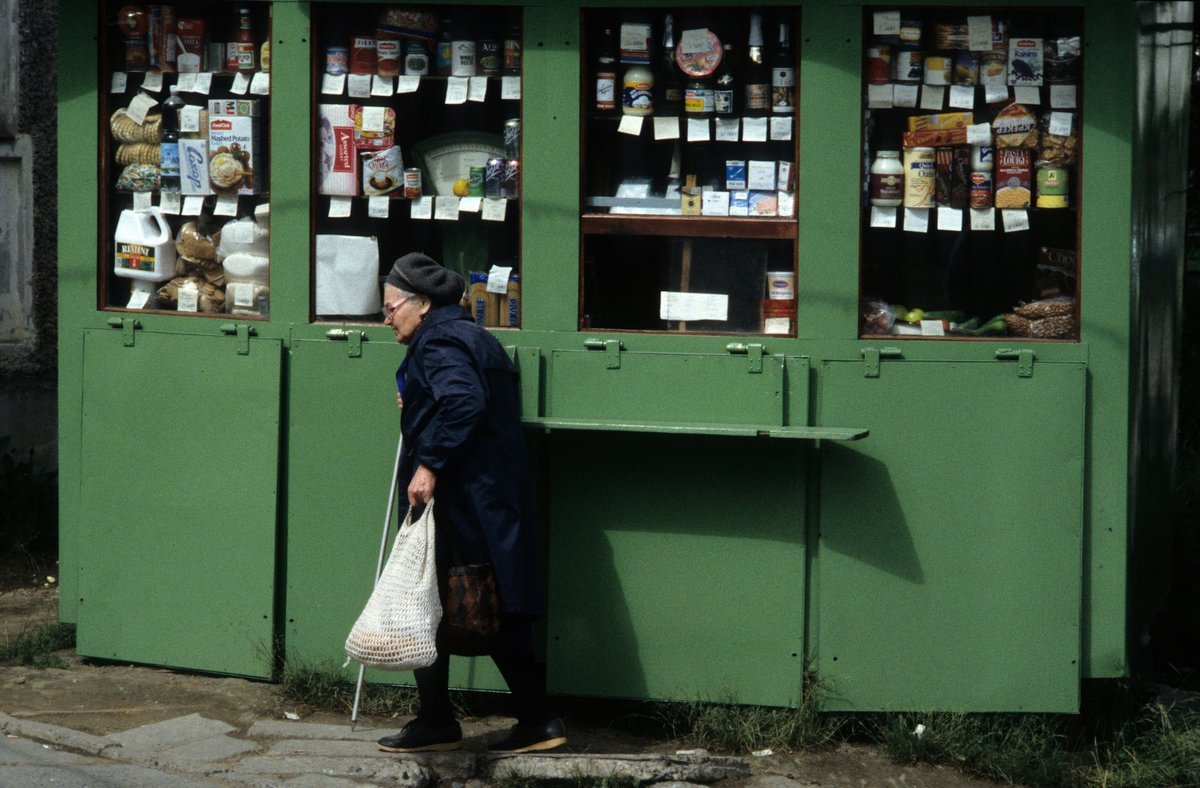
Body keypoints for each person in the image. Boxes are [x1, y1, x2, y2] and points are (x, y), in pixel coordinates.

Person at [375, 252, 566, 755]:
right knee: (484, 603)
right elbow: (463, 396)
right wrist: (418, 396)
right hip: (488, 500)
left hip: (459, 501)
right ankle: (478, 718)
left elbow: (464, 402)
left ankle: (519, 719)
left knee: (432, 600)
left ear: (422, 304)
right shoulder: (476, 338)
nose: (387, 317)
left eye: (393, 307)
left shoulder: (437, 341)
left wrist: (428, 463)